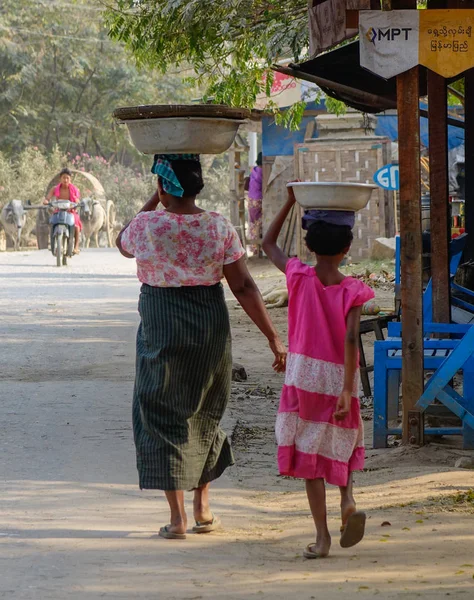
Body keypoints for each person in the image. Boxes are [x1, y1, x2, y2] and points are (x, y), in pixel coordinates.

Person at [116, 154, 286, 540]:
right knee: (205, 409)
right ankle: (203, 510)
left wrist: (152, 201)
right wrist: (273, 336)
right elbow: (243, 286)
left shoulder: (147, 225)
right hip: (209, 323)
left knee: (160, 411)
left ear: (163, 188)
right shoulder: (218, 226)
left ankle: (177, 520)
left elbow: (122, 244)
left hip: (163, 323)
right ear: (197, 187)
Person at [262, 185, 374, 559]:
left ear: (309, 247)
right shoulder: (353, 289)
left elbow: (268, 244)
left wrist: (291, 201)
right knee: (340, 441)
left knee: (309, 455)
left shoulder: (298, 275)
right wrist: (346, 388)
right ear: (347, 248)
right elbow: (351, 339)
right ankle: (348, 498)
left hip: (303, 377)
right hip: (340, 377)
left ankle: (323, 538)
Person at [44, 168, 82, 254]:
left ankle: (76, 247)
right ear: (60, 178)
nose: (65, 180)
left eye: (67, 178)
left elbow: (77, 200)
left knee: (76, 226)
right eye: (63, 178)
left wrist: (76, 201)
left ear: (70, 179)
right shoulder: (55, 189)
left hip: (71, 211)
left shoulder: (74, 189)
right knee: (52, 222)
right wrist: (46, 201)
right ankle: (52, 242)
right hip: (58, 210)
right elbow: (47, 198)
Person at [245, 152, 263, 255]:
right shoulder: (262, 171)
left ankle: (255, 248)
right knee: (259, 224)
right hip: (259, 200)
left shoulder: (255, 170)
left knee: (253, 224)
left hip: (251, 200)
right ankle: (257, 248)